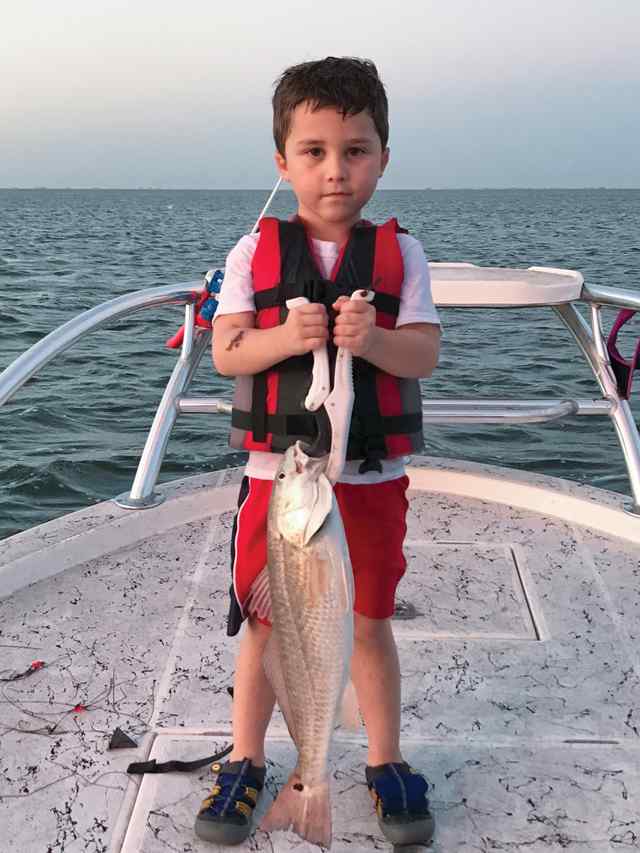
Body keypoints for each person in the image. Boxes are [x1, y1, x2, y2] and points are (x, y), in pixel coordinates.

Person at [195, 56, 441, 847]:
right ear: (283, 161)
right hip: (281, 483)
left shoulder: (407, 256)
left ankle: (384, 759)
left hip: (369, 481)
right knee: (266, 626)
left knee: (367, 622)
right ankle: (245, 758)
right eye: (314, 151)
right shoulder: (250, 253)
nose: (336, 170)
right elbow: (228, 352)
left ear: (383, 158)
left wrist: (377, 339)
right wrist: (278, 337)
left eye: (356, 150)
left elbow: (424, 355)